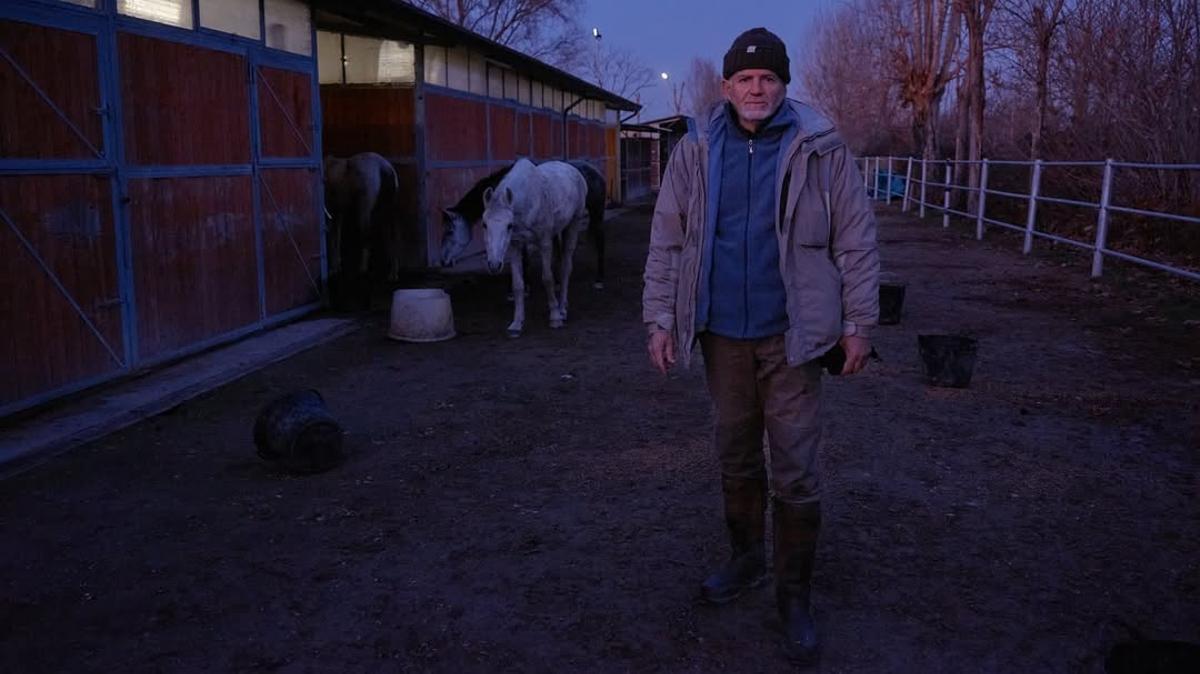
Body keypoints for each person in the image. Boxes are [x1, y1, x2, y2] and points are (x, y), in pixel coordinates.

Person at [641, 27, 879, 665]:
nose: (756, 88)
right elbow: (668, 240)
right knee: (737, 455)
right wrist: (660, 319)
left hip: (794, 337)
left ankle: (794, 592)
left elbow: (855, 239)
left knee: (796, 466)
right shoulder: (694, 151)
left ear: (784, 85)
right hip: (722, 335)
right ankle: (746, 558)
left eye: (768, 78)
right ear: (725, 87)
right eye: (745, 79)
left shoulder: (819, 149)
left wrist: (859, 323)